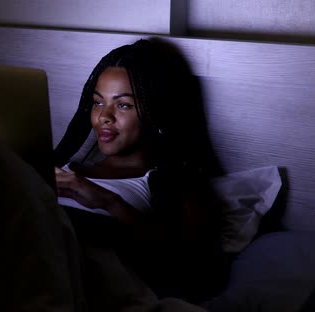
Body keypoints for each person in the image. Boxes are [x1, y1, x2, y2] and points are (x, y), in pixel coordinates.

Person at [53, 39, 227, 307]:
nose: (104, 117)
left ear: (156, 110)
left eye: (123, 105)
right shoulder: (65, 170)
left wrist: (109, 202)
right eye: (98, 103)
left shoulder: (176, 183)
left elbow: (197, 271)